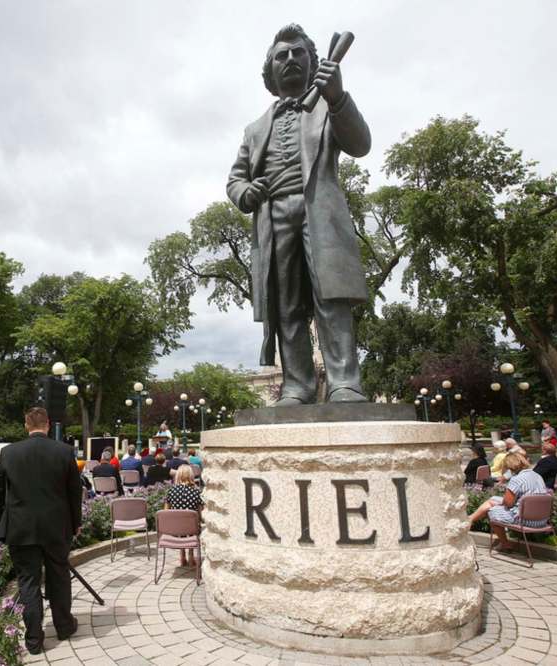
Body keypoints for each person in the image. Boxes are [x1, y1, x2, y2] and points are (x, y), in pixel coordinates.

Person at [227, 23, 371, 405]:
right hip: (273, 220)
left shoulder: (329, 104)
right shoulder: (255, 129)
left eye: (298, 53)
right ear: (270, 73)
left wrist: (337, 96)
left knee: (331, 299)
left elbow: (360, 144)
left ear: (312, 62)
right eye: (281, 56)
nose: (289, 59)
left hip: (318, 213)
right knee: (286, 305)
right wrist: (246, 192)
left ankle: (344, 383)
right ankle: (297, 386)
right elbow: (235, 180)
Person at [0, 408, 81, 655]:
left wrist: (5, 520)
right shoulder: (64, 451)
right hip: (57, 527)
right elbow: (75, 491)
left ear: (26, 425)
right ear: (48, 424)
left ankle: (33, 640)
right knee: (59, 577)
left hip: (21, 528)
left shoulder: (8, 452)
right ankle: (64, 626)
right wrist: (76, 522)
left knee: (28, 583)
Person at [468, 452, 547, 552]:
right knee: (492, 500)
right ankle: (470, 519)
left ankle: (505, 544)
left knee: (492, 511)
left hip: (525, 520)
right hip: (541, 519)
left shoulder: (516, 480)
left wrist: (499, 503)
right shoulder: (537, 476)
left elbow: (508, 503)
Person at [165, 464, 204, 567]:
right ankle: (191, 555)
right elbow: (200, 514)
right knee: (193, 522)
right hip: (192, 528)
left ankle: (182, 556)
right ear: (191, 476)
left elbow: (166, 513)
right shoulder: (196, 492)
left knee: (180, 522)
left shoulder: (171, 491)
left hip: (176, 529)